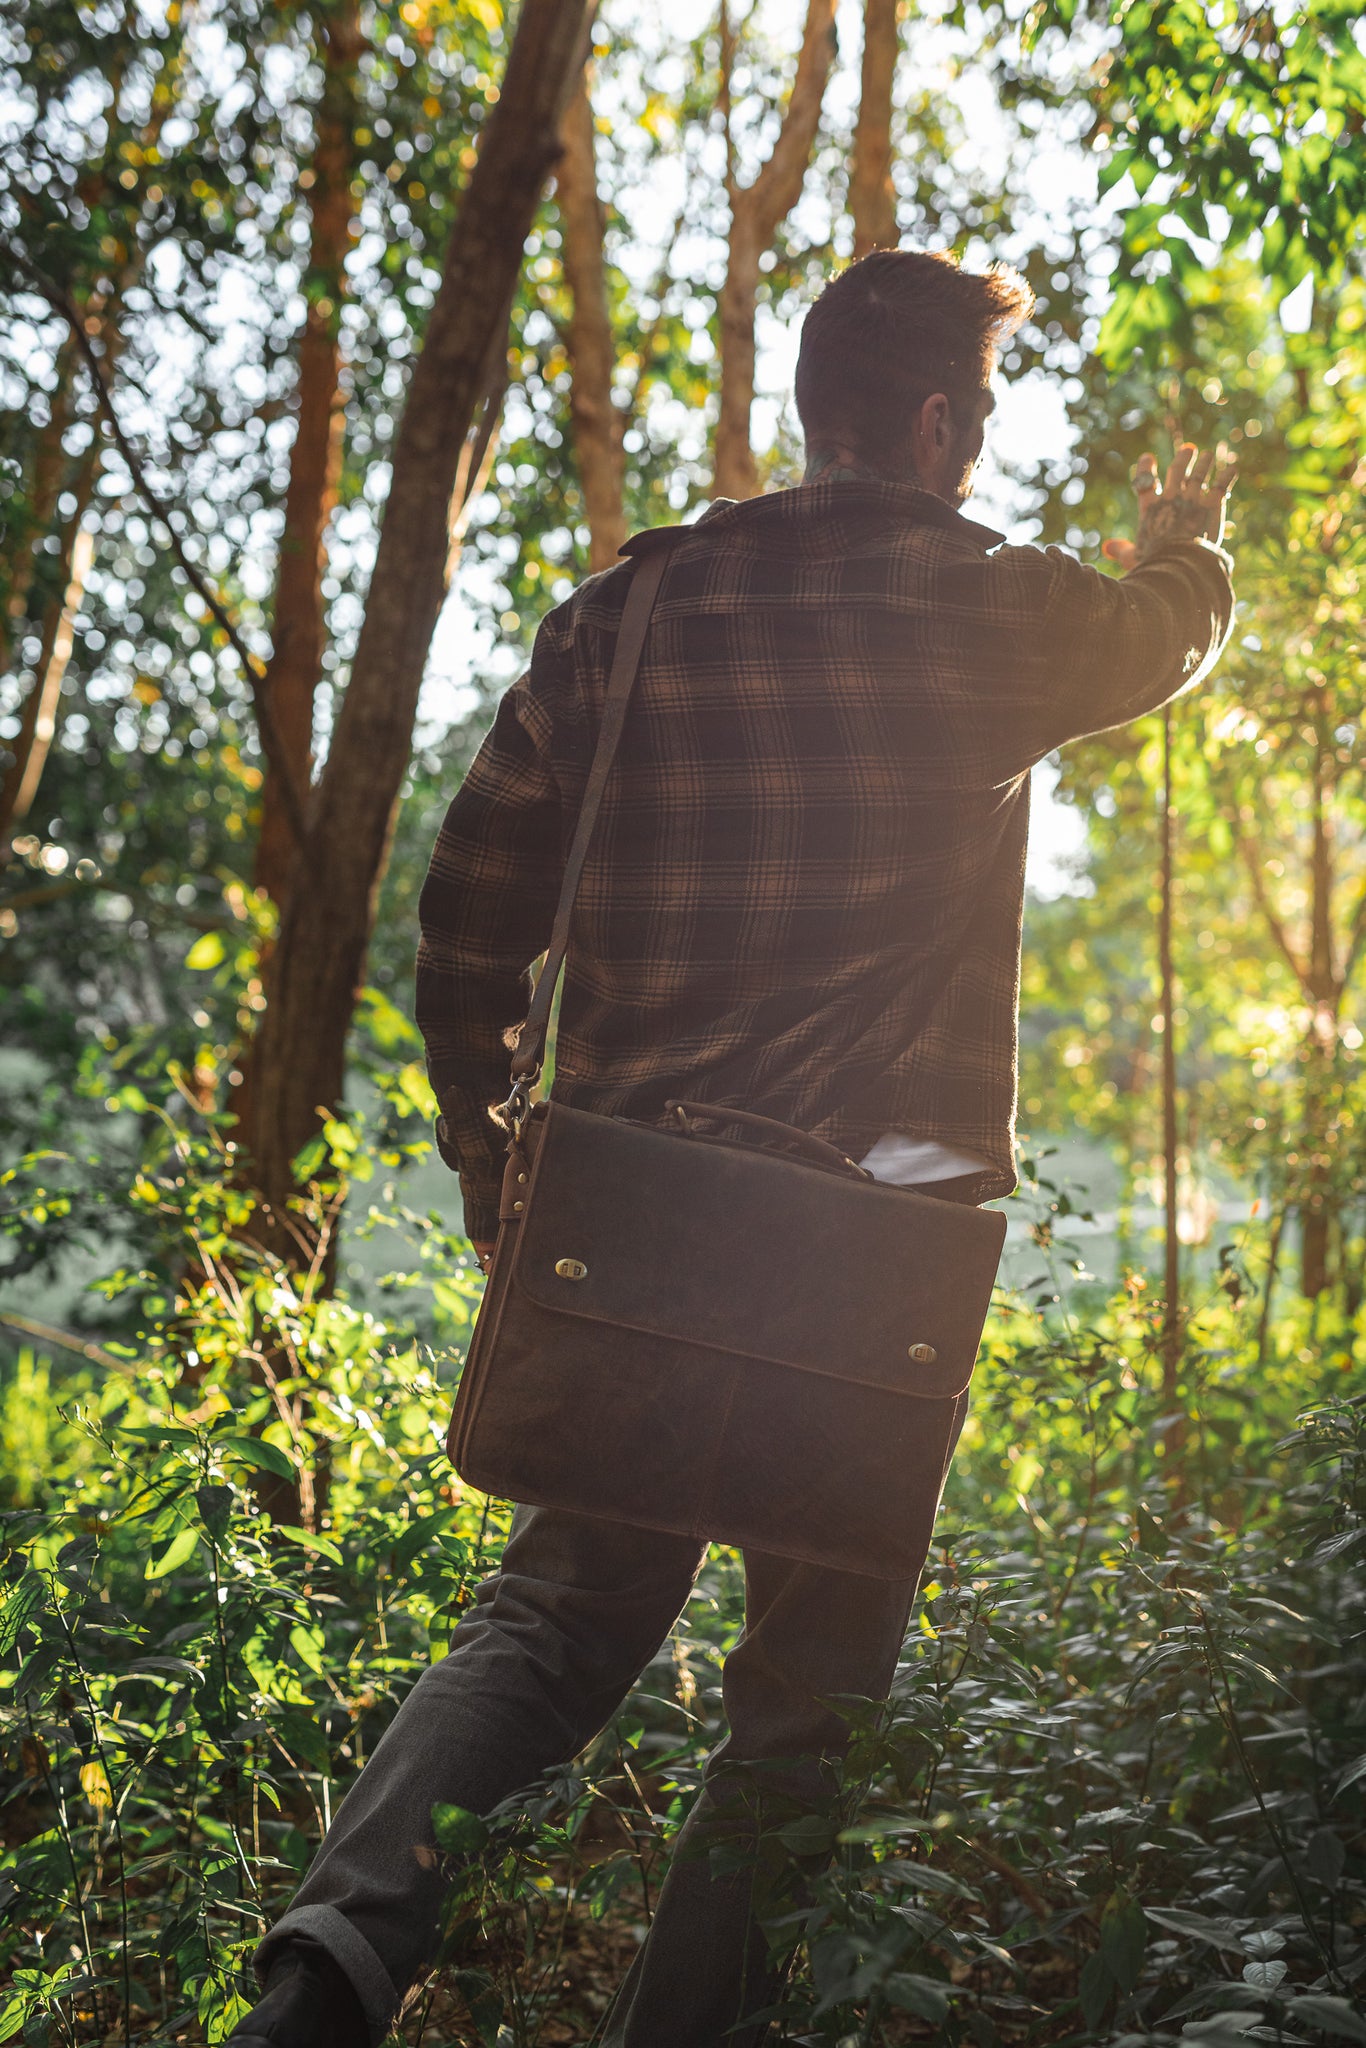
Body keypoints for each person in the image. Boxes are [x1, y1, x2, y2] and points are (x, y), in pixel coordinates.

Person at [232, 248, 1235, 2047]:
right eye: (983, 412)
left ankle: (327, 1970)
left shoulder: (629, 612)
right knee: (798, 1708)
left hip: (632, 1231)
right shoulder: (984, 606)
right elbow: (1157, 638)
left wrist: (495, 1174)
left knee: (548, 1625)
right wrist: (1187, 538)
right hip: (870, 1257)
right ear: (935, 423)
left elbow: (464, 914)